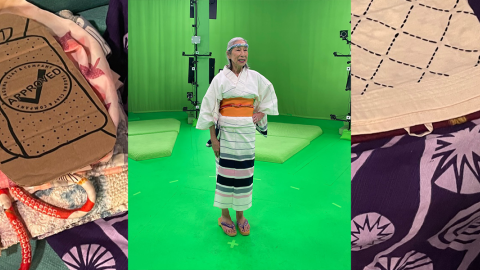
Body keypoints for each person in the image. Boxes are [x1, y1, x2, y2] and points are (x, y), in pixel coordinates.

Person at [196, 37, 278, 236]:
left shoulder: (255, 77)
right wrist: (214, 139)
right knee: (223, 175)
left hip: (246, 133)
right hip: (225, 133)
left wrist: (260, 114)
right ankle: (224, 215)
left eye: (245, 50)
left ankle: (240, 215)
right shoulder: (220, 79)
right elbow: (209, 109)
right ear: (228, 54)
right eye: (237, 50)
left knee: (244, 174)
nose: (242, 54)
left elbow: (268, 95)